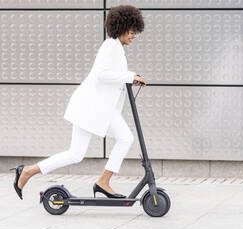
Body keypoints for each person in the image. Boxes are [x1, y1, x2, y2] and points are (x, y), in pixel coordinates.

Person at [10, 5, 146, 200]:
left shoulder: (117, 48)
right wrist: (130, 75)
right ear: (121, 27)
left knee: (125, 138)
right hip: (90, 108)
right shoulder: (110, 46)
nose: (134, 36)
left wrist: (128, 78)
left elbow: (112, 76)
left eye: (135, 32)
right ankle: (28, 171)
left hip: (102, 110)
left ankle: (103, 182)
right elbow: (102, 75)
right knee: (76, 154)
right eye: (132, 31)